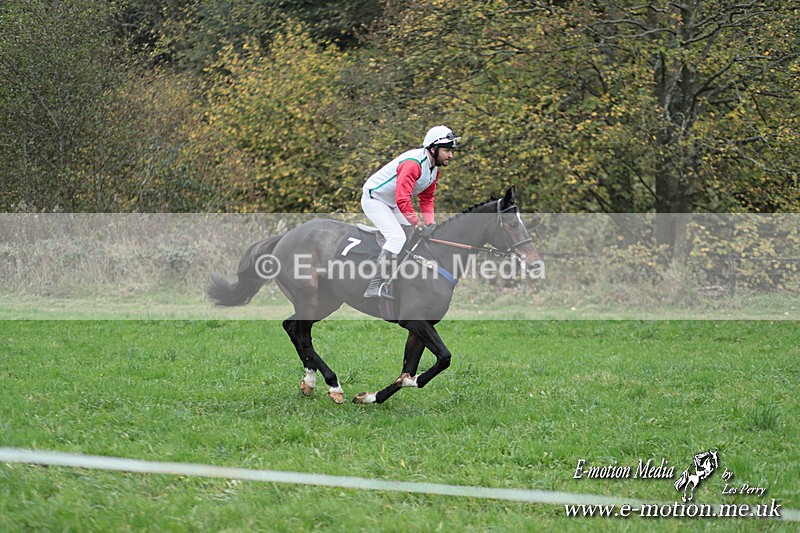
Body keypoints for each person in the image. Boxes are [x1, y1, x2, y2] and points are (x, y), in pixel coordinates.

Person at [361, 125, 459, 298]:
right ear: (433, 148)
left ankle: (395, 276)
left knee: (411, 234)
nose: (450, 155)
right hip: (375, 199)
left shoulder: (434, 169)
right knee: (397, 237)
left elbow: (427, 199)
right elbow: (402, 199)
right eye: (446, 150)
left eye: (451, 151)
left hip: (392, 203)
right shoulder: (413, 164)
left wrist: (429, 224)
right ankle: (374, 286)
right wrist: (417, 223)